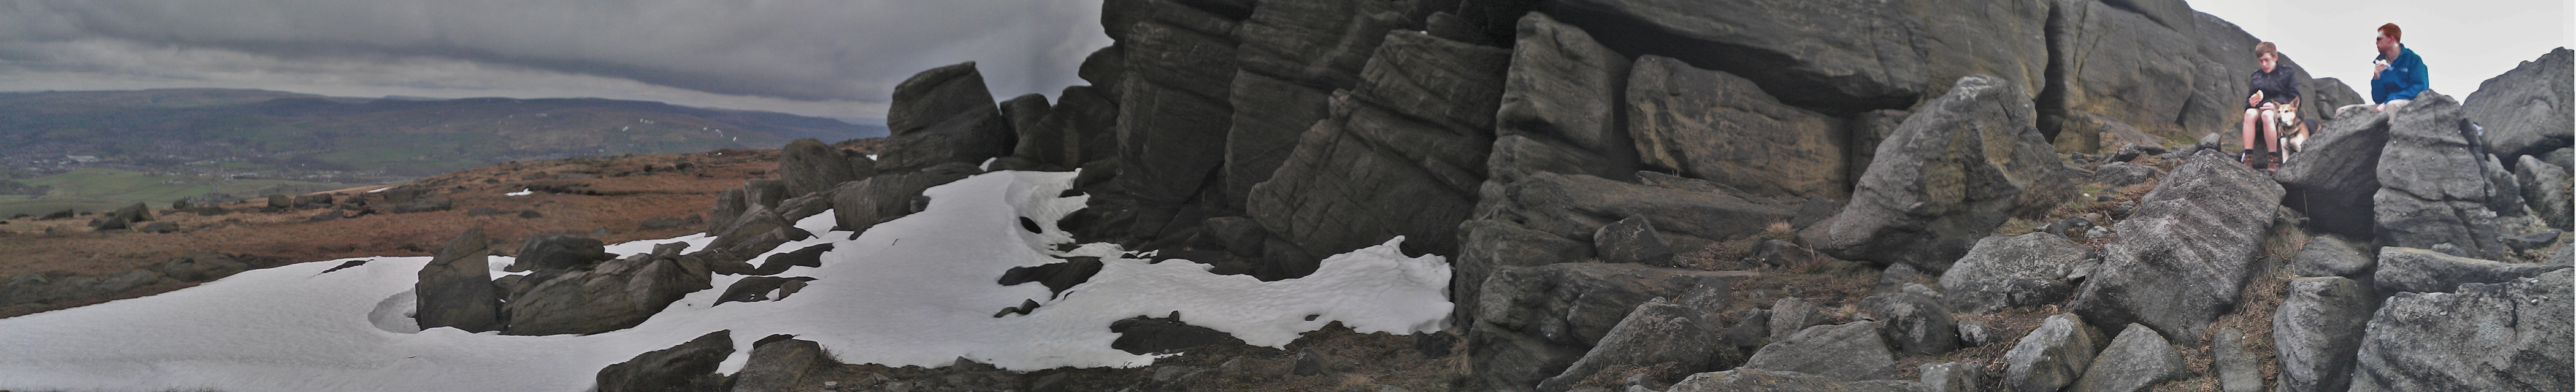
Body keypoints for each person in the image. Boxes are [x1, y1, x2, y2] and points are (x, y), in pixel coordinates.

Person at [2243, 42, 2301, 171]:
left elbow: (2296, 98)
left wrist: (2276, 107)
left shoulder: (2288, 73)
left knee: (2267, 115)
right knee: (2249, 113)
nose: (2264, 64)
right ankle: (2248, 159)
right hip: (2260, 110)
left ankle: (2273, 160)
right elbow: (2248, 103)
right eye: (2261, 61)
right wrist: (2250, 103)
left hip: (2280, 112)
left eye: (2267, 60)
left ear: (2275, 58)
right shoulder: (2256, 77)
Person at [2370, 23, 2429, 113]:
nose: (2376, 42)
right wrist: (2377, 78)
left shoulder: (2413, 60)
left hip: (2410, 105)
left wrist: (2388, 101)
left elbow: (2420, 88)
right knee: (2347, 111)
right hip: (2385, 105)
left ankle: (2390, 127)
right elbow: (2378, 99)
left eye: (2379, 39)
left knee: (2392, 106)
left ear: (2391, 39)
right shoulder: (2381, 63)